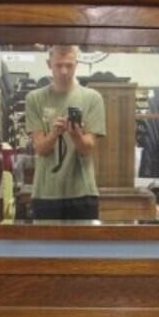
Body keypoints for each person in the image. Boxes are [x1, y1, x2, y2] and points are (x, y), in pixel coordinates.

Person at [25, 45, 106, 220]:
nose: (63, 71)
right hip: (46, 192)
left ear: (77, 64)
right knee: (44, 247)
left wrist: (75, 134)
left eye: (69, 65)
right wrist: (54, 133)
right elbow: (40, 148)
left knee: (85, 247)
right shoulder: (35, 99)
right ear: (49, 64)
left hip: (83, 191)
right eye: (59, 65)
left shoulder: (93, 98)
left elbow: (88, 148)